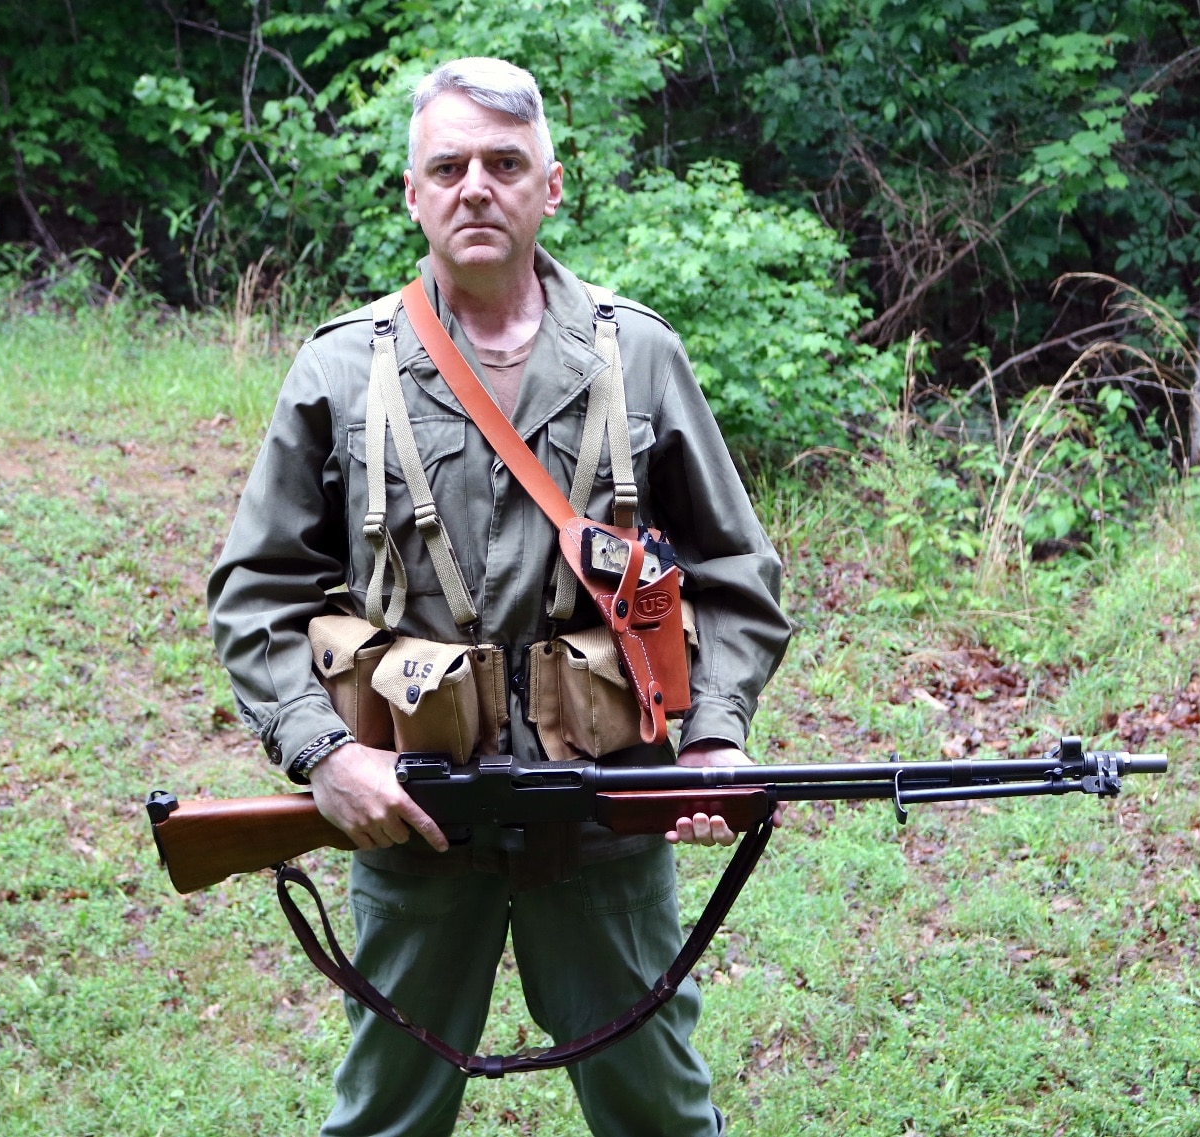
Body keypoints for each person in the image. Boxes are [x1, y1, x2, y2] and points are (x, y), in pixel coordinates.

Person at [207, 56, 790, 1137]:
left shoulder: (638, 355)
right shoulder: (341, 370)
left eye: (504, 164)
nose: (476, 186)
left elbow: (735, 577)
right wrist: (325, 757)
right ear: (413, 192)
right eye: (450, 166)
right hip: (415, 815)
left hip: (603, 812)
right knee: (388, 1113)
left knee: (655, 1110)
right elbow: (254, 590)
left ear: (549, 187)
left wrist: (712, 738)